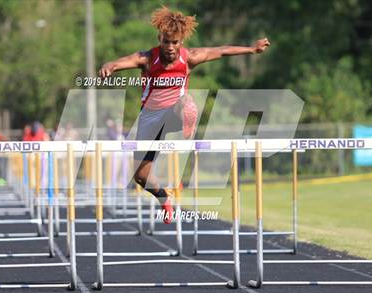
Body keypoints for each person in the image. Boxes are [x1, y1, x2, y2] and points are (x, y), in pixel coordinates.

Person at [99, 6, 270, 223]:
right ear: (159, 38)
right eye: (166, 42)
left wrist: (251, 49)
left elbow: (221, 50)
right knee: (140, 176)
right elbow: (117, 63)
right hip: (149, 117)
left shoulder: (189, 58)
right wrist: (108, 67)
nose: (170, 47)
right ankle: (164, 199)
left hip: (173, 113)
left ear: (181, 41)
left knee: (183, 101)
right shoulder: (147, 58)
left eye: (175, 42)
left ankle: (187, 114)